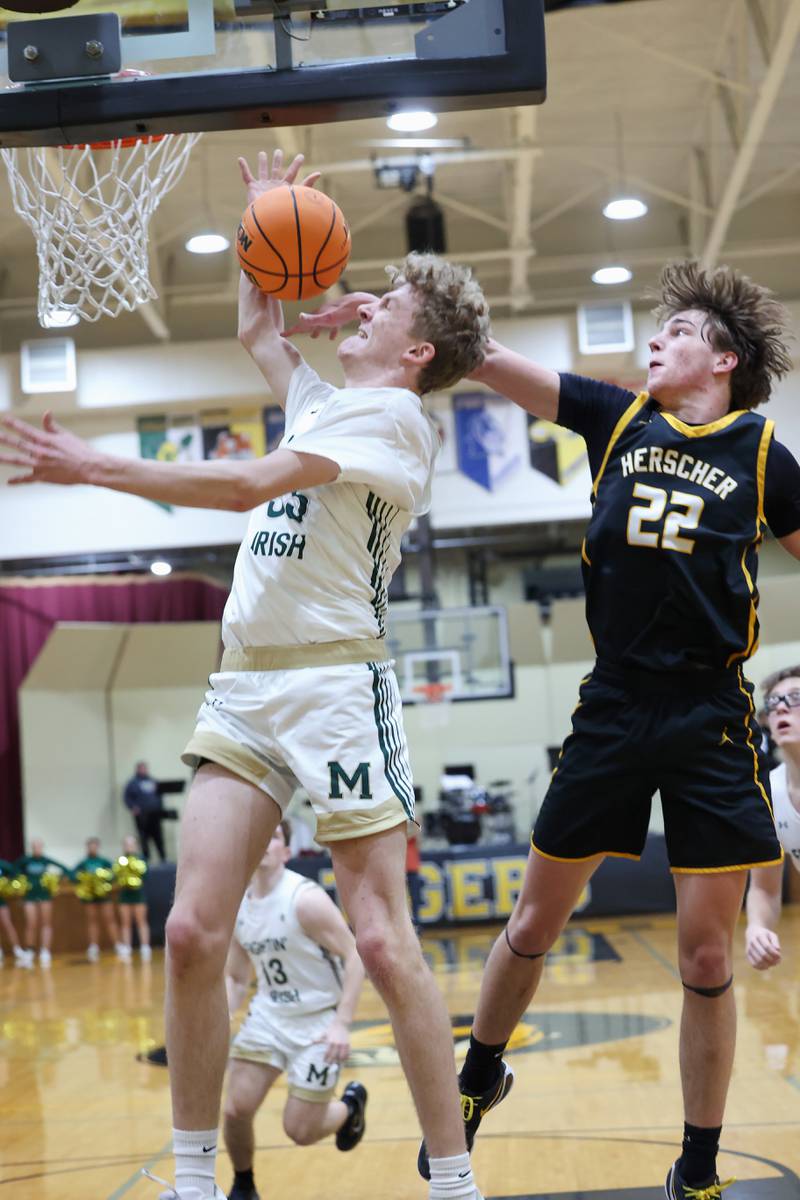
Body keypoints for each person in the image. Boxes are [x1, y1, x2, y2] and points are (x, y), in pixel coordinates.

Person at [0, 148, 490, 1200]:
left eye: (386, 304)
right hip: (245, 685)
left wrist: (94, 466)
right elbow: (256, 328)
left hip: (332, 687)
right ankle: (191, 1180)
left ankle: (452, 1180)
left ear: (415, 350)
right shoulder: (326, 398)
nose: (363, 305)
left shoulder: (391, 419)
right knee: (186, 930)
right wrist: (262, 219)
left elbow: (244, 487)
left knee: (379, 936)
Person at [288, 260, 800, 1200]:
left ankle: (697, 1166)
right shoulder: (619, 418)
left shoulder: (763, 453)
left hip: (709, 717)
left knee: (707, 954)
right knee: (533, 921)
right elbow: (476, 355)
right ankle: (481, 1073)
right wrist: (389, 313)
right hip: (611, 707)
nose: (656, 340)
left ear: (722, 358)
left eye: (677, 331)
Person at [223, 819, 367, 1200]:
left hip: (318, 1022)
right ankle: (243, 1184)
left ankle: (350, 1108)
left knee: (300, 1131)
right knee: (235, 1110)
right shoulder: (237, 906)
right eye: (259, 835)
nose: (265, 843)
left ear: (286, 851)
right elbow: (237, 979)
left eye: (274, 837)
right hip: (269, 1016)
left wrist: (342, 1022)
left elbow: (357, 954)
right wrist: (221, 1017)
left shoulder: (305, 900)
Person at [745, 666, 800, 971]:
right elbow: (765, 888)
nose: (780, 706)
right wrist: (757, 927)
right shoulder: (768, 792)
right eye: (774, 701)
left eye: (795, 698)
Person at [14, 838, 71, 968]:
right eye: (34, 847)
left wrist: (57, 880)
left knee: (46, 923)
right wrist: (19, 882)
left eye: (39, 847)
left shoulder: (46, 860)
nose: (37, 849)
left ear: (42, 848)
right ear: (31, 848)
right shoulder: (25, 860)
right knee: (31, 923)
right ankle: (30, 950)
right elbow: (12, 870)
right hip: (29, 896)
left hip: (45, 896)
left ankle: (45, 951)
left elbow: (65, 869)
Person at [73, 837, 126, 962]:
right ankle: (93, 946)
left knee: (110, 919)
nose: (92, 848)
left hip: (104, 895)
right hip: (90, 896)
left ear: (98, 847)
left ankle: (118, 945)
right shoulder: (84, 862)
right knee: (92, 921)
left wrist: (105, 879)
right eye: (90, 846)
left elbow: (114, 873)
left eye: (94, 846)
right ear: (87, 848)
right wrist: (83, 880)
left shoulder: (104, 861)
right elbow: (73, 874)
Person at [115, 835, 153, 962]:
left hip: (138, 894)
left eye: (131, 844)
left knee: (141, 921)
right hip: (125, 895)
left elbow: (146, 875)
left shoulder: (141, 859)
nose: (129, 846)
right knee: (125, 922)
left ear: (136, 846)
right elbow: (116, 876)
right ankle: (127, 947)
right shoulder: (120, 860)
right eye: (126, 844)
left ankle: (145, 947)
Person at [124, 761, 167, 862]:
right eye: (142, 768)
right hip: (142, 816)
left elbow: (159, 795)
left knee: (158, 837)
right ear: (138, 769)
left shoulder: (153, 781)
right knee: (144, 839)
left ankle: (163, 858)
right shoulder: (132, 783)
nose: (144, 770)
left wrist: (160, 807)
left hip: (155, 815)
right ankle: (146, 859)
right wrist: (133, 807)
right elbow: (126, 798)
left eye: (145, 768)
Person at [0, 858, 31, 967]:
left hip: (1, 901)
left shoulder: (2, 864)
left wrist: (8, 884)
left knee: (7, 924)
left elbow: (15, 872)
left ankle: (17, 950)